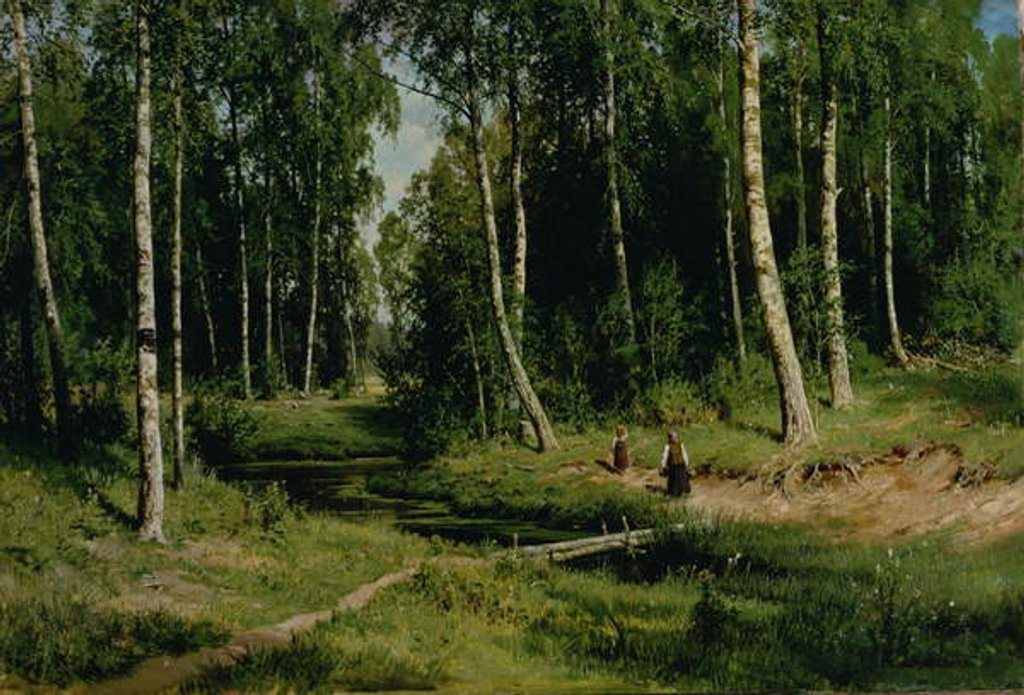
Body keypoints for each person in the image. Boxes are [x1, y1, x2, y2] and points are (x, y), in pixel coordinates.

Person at [659, 431, 690, 496]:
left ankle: (683, 491)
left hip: (681, 464)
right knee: (674, 480)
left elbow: (684, 454)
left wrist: (687, 464)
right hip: (673, 466)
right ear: (670, 438)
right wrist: (663, 465)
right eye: (674, 437)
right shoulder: (667, 446)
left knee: (682, 478)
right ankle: (674, 493)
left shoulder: (681, 445)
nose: (676, 439)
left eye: (676, 437)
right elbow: (664, 456)